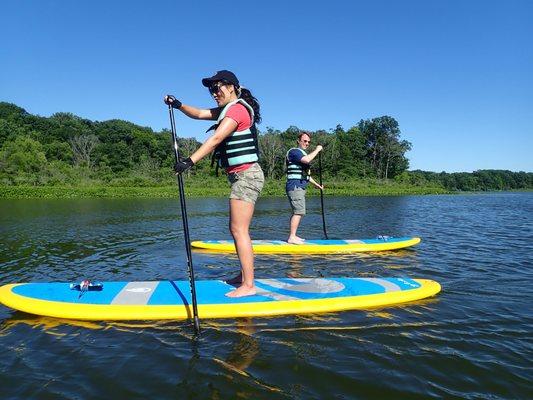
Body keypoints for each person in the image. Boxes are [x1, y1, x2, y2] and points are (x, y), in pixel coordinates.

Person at [164, 70, 264, 298]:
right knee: (237, 229)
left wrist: (189, 161)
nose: (214, 92)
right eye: (211, 89)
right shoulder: (226, 110)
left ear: (232, 87)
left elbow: (216, 138)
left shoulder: (237, 109)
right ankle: (243, 277)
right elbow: (198, 113)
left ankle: (249, 285)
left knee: (239, 230)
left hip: (247, 175)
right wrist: (178, 104)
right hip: (241, 176)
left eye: (217, 87)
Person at [285, 132, 323, 244]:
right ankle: (291, 237)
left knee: (299, 211)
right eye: (305, 141)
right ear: (298, 141)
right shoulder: (294, 152)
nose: (307, 143)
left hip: (299, 186)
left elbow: (305, 176)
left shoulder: (302, 154)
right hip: (294, 186)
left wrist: (317, 185)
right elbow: (307, 160)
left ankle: (294, 236)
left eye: (308, 142)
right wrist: (317, 149)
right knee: (299, 211)